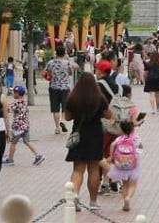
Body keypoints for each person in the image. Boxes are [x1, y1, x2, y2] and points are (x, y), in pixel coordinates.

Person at [65, 72, 112, 212]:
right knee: (93, 169)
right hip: (95, 135)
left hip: (79, 135)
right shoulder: (99, 98)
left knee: (78, 169)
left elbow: (67, 117)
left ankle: (74, 196)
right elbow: (109, 116)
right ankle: (93, 201)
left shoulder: (73, 98)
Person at [101, 120, 142, 212]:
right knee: (132, 184)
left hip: (120, 164)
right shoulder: (135, 138)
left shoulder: (119, 139)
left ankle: (124, 201)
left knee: (124, 184)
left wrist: (111, 156)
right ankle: (128, 197)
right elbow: (140, 148)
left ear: (122, 130)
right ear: (132, 129)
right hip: (133, 165)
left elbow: (112, 145)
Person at [4, 85, 44, 166]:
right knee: (27, 141)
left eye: (14, 92)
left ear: (18, 94)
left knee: (13, 142)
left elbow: (8, 110)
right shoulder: (24, 102)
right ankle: (38, 155)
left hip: (18, 126)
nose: (13, 94)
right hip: (25, 125)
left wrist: (4, 103)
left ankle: (10, 159)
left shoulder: (17, 102)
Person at [47, 43, 79, 135]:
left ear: (56, 53)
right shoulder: (67, 63)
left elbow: (45, 72)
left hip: (53, 87)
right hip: (65, 87)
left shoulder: (51, 62)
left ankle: (57, 127)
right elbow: (76, 67)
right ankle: (62, 121)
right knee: (64, 107)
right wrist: (68, 59)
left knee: (55, 108)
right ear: (64, 53)